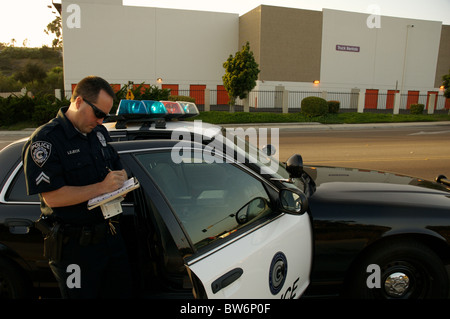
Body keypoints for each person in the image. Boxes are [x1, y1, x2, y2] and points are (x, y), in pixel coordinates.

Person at [22, 76, 133, 298]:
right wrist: (102, 187)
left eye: (105, 115)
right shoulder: (46, 140)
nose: (101, 121)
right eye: (98, 114)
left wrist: (120, 178)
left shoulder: (98, 133)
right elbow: (53, 197)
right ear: (79, 101)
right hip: (75, 248)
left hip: (110, 237)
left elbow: (114, 168)